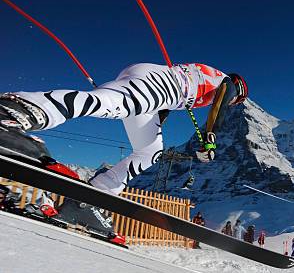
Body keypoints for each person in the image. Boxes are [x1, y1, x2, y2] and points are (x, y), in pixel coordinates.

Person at [0, 63, 248, 196]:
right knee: (110, 104)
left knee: (149, 151)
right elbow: (221, 106)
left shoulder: (206, 81)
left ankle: (103, 190)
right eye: (238, 100)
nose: (235, 102)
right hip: (164, 83)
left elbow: (162, 108)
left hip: (159, 89)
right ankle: (18, 110)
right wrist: (210, 138)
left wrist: (154, 125)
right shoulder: (227, 83)